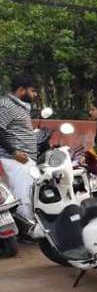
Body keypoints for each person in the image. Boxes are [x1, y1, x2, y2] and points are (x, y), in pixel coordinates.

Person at [0, 73, 39, 222]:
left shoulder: (20, 106)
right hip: (16, 159)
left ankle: (29, 226)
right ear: (21, 90)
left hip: (26, 159)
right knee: (24, 195)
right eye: (32, 90)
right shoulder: (6, 105)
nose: (35, 94)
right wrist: (14, 152)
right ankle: (26, 232)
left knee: (29, 193)